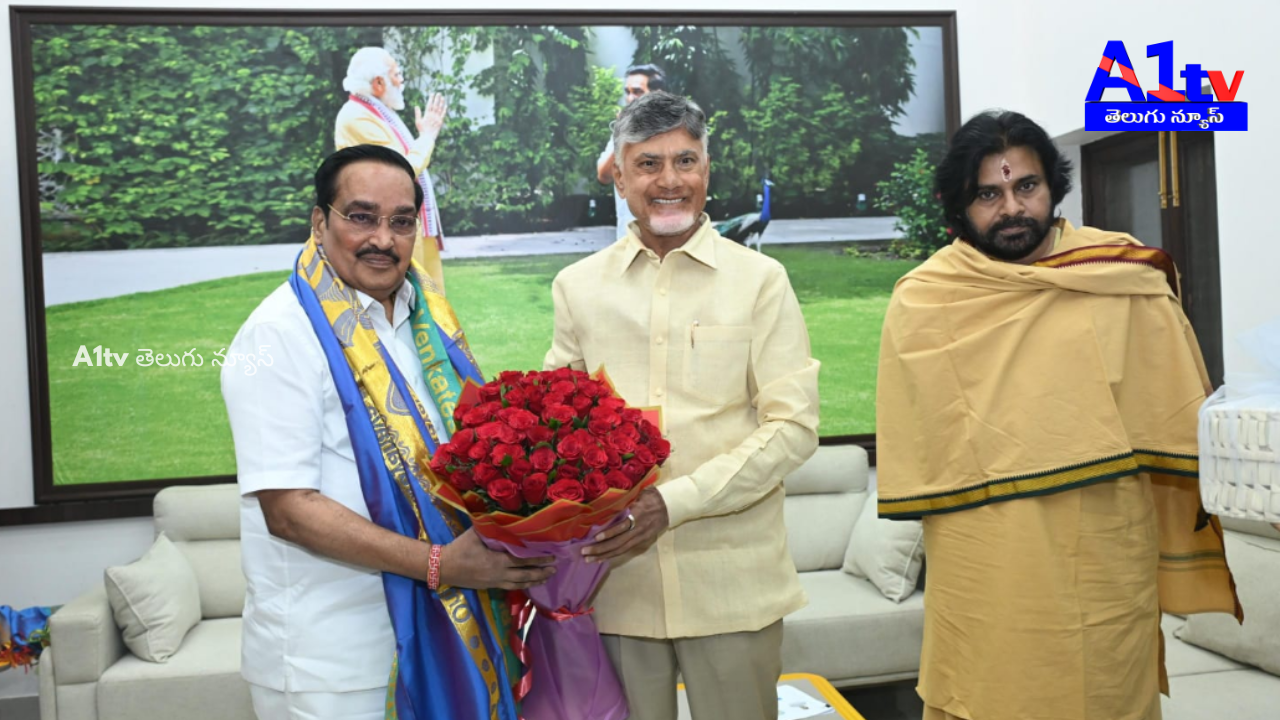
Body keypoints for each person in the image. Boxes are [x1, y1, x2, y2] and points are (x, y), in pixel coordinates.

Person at [875, 110, 1243, 720]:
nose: (1011, 208)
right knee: (990, 693)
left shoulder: (1119, 274)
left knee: (1104, 691)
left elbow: (1171, 408)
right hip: (985, 546)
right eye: (987, 194)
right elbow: (926, 433)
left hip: (1102, 542)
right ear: (958, 205)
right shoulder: (928, 297)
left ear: (1053, 187)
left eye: (1026, 187)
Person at [222, 144, 554, 720]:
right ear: (319, 222)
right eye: (361, 216)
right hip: (331, 663)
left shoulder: (422, 320)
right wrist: (441, 566)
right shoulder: (278, 335)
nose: (383, 237)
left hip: (445, 633)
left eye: (402, 222)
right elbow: (289, 509)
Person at [545, 91, 820, 720]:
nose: (669, 181)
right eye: (647, 164)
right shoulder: (578, 288)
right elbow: (554, 427)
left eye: (685, 161)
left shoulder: (761, 281)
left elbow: (792, 428)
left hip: (733, 587)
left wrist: (672, 503)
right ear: (617, 175)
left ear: (706, 169)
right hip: (615, 590)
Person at [336, 47, 450, 292]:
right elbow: (400, 171)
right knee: (406, 306)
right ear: (378, 83)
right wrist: (427, 137)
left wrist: (422, 137)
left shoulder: (375, 112)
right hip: (384, 232)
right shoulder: (355, 116)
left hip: (403, 224)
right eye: (396, 74)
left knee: (430, 305)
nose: (402, 81)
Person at [596, 63, 667, 239]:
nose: (630, 98)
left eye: (637, 92)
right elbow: (603, 176)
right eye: (627, 92)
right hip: (628, 240)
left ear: (656, 95)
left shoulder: (676, 131)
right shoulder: (622, 132)